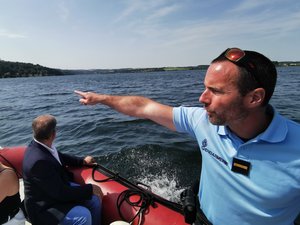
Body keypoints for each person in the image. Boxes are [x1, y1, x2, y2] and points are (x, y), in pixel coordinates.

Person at [75, 47, 300, 225]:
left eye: (216, 91)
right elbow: (144, 107)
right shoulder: (203, 121)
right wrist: (102, 98)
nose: (202, 98)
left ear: (254, 98)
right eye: (205, 88)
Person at [22, 114, 103, 225]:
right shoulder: (38, 162)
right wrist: (89, 189)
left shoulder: (41, 145)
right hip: (45, 207)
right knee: (83, 215)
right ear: (53, 134)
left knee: (94, 200)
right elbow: (60, 193)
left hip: (54, 192)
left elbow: (60, 157)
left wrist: (82, 161)